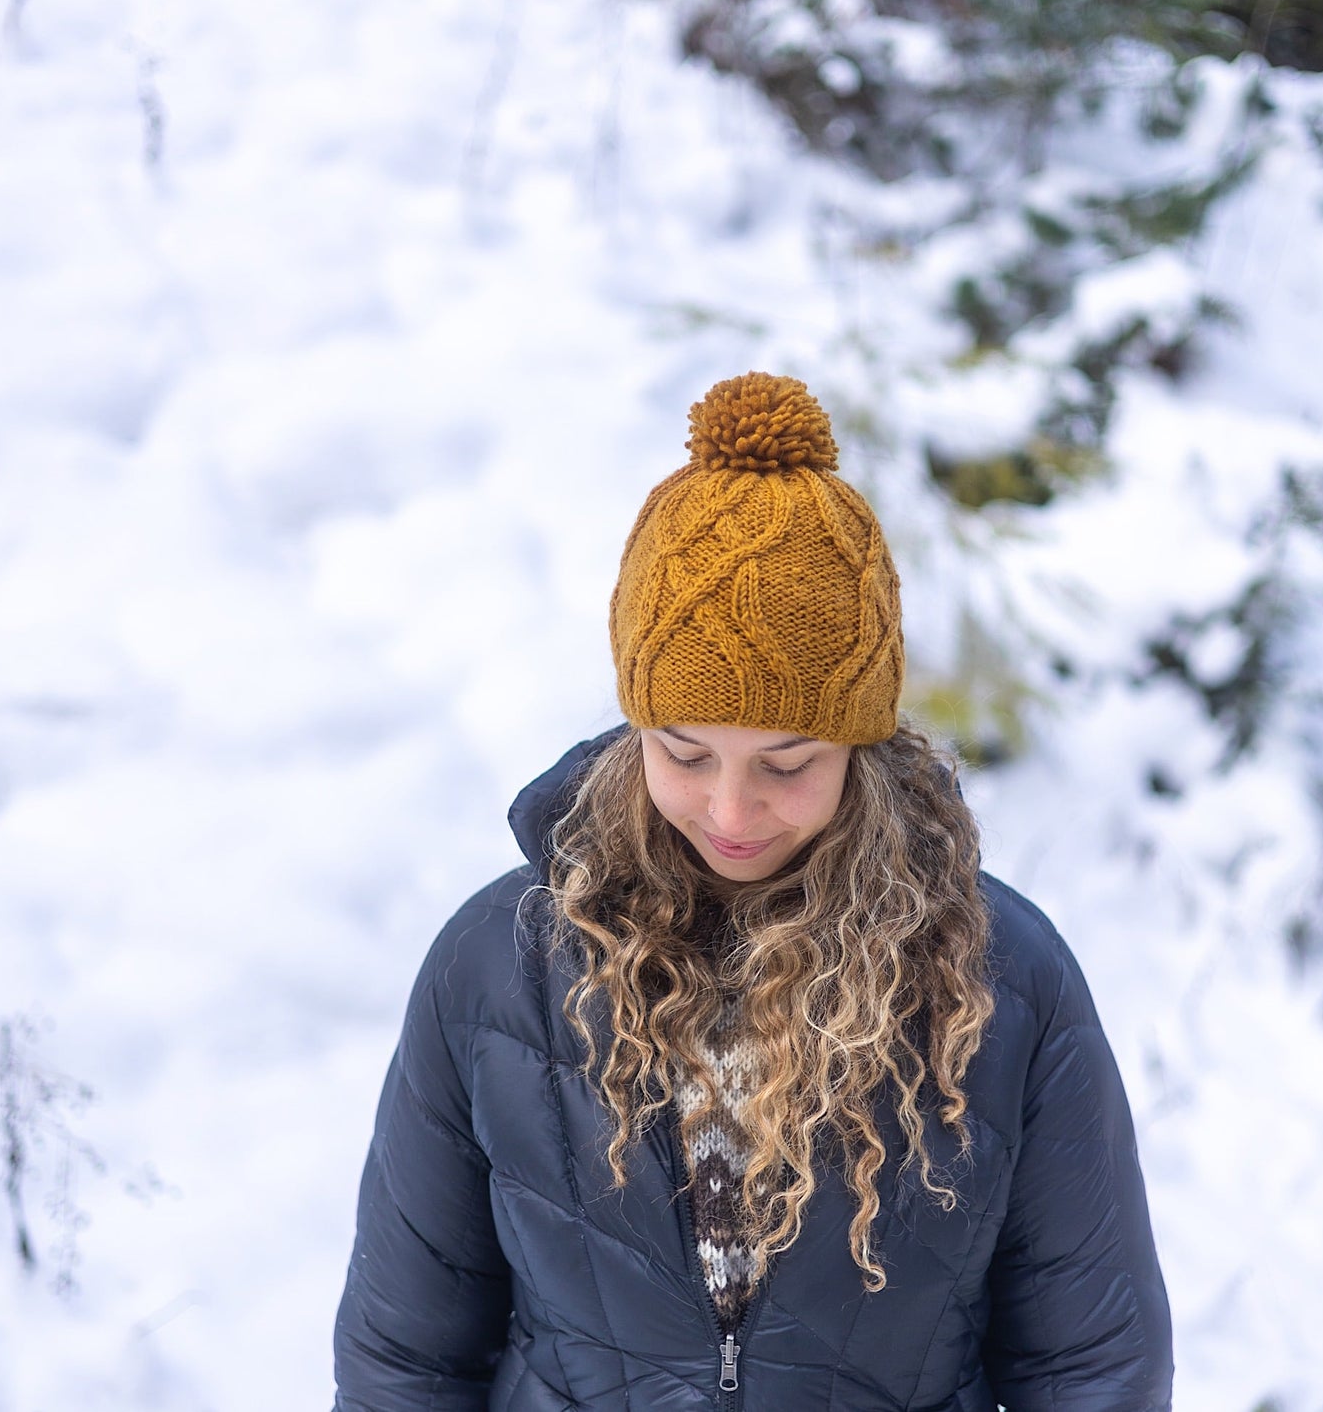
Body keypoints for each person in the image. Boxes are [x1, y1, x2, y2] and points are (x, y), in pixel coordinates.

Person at [332, 372, 1173, 1411]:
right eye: (684, 753)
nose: (731, 810)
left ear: (860, 747)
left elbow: (1088, 1363)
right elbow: (405, 1358)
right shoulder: (497, 963)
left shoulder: (999, 979)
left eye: (786, 763)